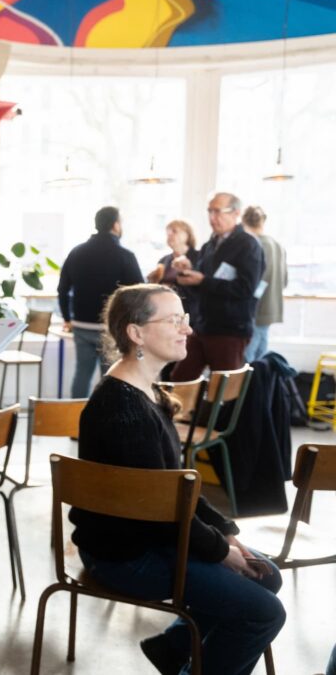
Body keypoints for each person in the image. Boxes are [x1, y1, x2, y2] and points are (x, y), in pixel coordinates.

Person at [71, 283, 285, 675]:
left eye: (185, 319)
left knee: (266, 577)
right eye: (174, 320)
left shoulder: (145, 392)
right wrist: (222, 552)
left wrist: (226, 532)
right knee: (264, 612)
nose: (187, 329)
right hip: (124, 556)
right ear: (136, 333)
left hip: (152, 537)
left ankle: (173, 647)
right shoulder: (122, 410)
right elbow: (164, 515)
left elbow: (177, 487)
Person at [171, 192, 264, 380]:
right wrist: (188, 274)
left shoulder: (248, 244)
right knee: (179, 382)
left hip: (230, 330)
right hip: (202, 326)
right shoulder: (210, 245)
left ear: (236, 213)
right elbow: (202, 285)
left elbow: (245, 289)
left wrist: (203, 280)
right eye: (209, 211)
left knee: (222, 393)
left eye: (218, 212)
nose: (212, 218)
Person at [57, 205, 143, 398]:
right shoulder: (125, 256)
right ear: (115, 225)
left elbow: (62, 289)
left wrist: (67, 318)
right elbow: (139, 292)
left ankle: (74, 418)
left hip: (80, 324)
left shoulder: (76, 252)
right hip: (110, 328)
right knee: (110, 377)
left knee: (82, 373)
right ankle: (106, 421)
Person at [241, 206, 288, 362]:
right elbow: (285, 280)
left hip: (255, 309)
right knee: (260, 357)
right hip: (271, 308)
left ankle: (248, 387)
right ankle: (258, 387)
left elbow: (255, 280)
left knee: (247, 359)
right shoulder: (278, 245)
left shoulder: (254, 245)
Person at [148, 219, 201, 321]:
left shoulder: (199, 257)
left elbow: (201, 287)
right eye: (168, 232)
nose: (169, 234)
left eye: (174, 231)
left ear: (187, 235)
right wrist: (153, 281)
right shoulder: (163, 260)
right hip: (166, 312)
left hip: (191, 313)